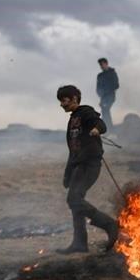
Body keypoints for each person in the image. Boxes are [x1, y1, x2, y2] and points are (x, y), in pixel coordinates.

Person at [56, 85, 119, 254]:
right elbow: (73, 150)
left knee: (74, 200)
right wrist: (67, 174)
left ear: (75, 98)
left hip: (90, 164)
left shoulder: (85, 112)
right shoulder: (72, 119)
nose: (61, 104)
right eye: (60, 101)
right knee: (75, 202)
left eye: (64, 100)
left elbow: (101, 124)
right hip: (78, 165)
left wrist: (96, 130)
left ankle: (109, 224)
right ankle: (79, 243)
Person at [95, 58, 119, 129]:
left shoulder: (112, 73)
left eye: (102, 64)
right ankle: (107, 129)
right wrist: (100, 94)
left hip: (110, 96)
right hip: (103, 97)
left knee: (106, 110)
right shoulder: (100, 75)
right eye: (100, 65)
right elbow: (98, 87)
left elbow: (116, 85)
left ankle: (109, 129)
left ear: (106, 63)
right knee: (104, 111)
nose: (101, 66)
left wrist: (106, 91)